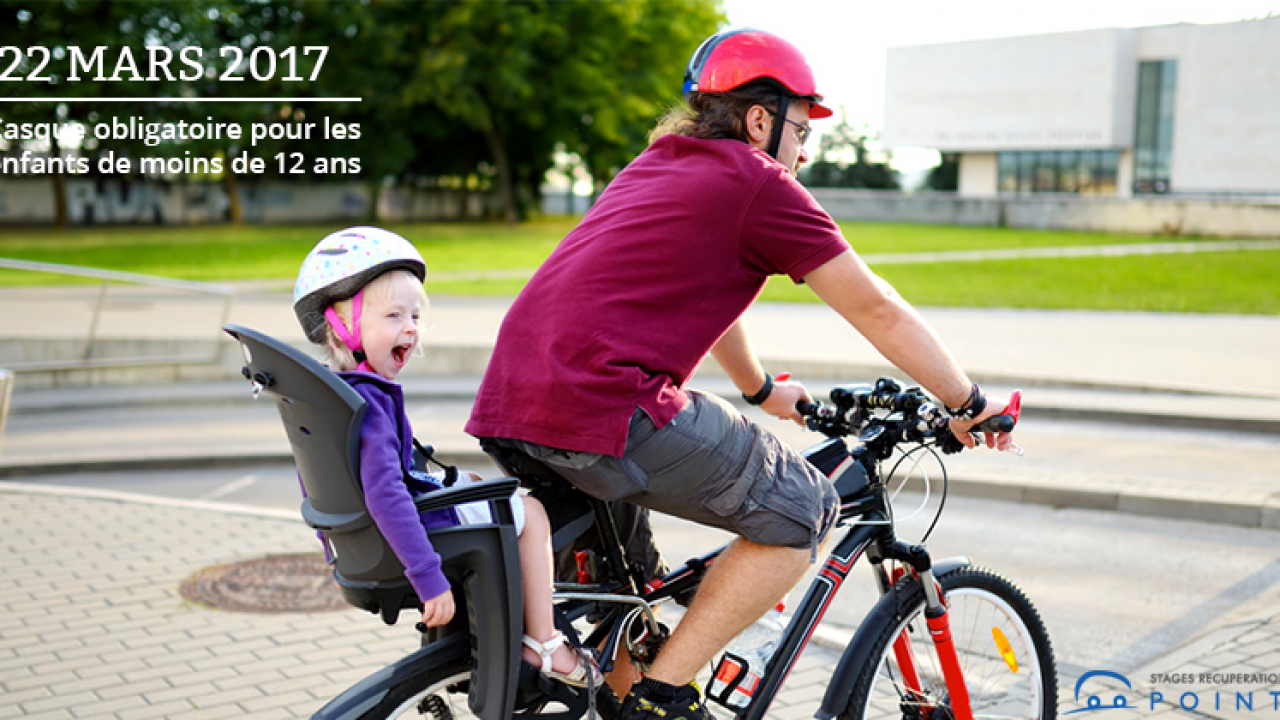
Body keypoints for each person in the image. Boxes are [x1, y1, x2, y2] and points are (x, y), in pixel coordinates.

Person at [466, 28, 1016, 719]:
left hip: (514, 402)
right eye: (801, 124)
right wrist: (969, 400)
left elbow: (704, 295)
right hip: (605, 404)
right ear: (760, 119)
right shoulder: (759, 184)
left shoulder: (660, 163)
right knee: (804, 507)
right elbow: (876, 308)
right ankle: (663, 697)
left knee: (638, 601)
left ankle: (632, 685)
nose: (806, 146)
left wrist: (759, 389)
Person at [293, 226, 601, 688]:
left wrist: (331, 544)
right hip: (417, 529)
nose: (411, 328)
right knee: (532, 514)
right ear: (340, 325)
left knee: (481, 487)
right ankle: (545, 642)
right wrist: (429, 577)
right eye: (394, 315)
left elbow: (315, 479)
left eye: (415, 315)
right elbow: (386, 492)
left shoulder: (335, 395)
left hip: (370, 537)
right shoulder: (372, 406)